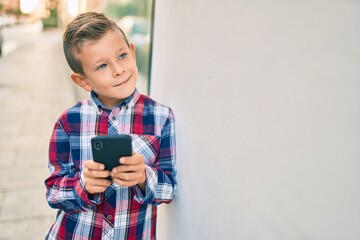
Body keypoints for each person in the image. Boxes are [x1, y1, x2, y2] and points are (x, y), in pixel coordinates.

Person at [44, 12, 177, 240]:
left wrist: (144, 177)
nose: (118, 69)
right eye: (102, 66)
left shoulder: (161, 117)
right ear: (83, 80)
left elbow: (170, 188)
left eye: (122, 55)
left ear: (133, 52)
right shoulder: (68, 122)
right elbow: (54, 193)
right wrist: (83, 185)